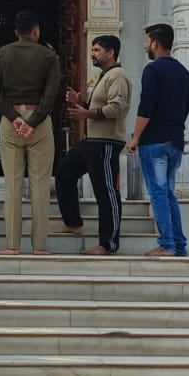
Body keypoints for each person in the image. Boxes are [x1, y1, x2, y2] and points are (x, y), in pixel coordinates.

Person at [0, 10, 62, 255]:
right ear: (36, 31)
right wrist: (34, 120)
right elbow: (51, 93)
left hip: (11, 123)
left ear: (16, 32)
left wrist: (14, 117)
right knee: (40, 185)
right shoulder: (48, 55)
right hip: (38, 121)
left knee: (13, 185)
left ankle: (12, 244)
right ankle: (39, 246)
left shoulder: (0, 54)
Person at [56, 35, 133, 255]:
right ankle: (73, 223)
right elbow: (98, 104)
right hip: (92, 142)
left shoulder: (118, 76)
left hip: (107, 143)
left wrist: (85, 113)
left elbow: (116, 109)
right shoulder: (105, 75)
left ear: (111, 53)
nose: (92, 54)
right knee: (64, 172)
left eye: (97, 50)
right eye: (92, 50)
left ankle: (108, 243)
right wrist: (79, 100)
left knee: (106, 193)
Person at [127, 23, 189, 258]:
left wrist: (135, 137)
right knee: (168, 193)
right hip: (175, 140)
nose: (146, 45)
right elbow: (187, 107)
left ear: (155, 43)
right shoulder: (184, 72)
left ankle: (166, 244)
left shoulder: (152, 70)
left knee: (158, 193)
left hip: (154, 141)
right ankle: (178, 244)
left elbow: (146, 108)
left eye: (147, 41)